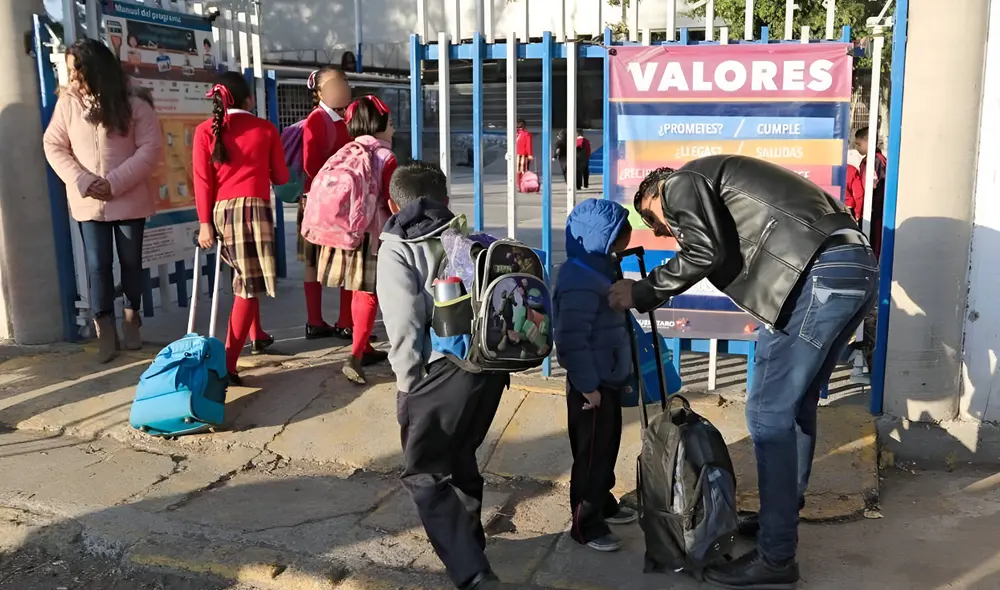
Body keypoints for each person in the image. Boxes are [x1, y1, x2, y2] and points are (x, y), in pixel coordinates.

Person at [611, 155, 878, 589]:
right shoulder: (715, 180)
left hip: (817, 274)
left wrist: (642, 289)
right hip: (851, 268)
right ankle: (780, 519)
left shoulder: (681, 183)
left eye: (657, 223)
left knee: (767, 415)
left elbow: (704, 249)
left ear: (654, 196)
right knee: (794, 408)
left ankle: (776, 556)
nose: (665, 232)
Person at [377, 161, 509, 590]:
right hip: (487, 370)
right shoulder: (467, 237)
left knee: (425, 474)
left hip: (438, 375)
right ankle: (470, 544)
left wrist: (407, 383)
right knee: (462, 456)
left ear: (393, 203)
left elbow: (404, 324)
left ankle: (472, 574)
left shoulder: (397, 246)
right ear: (446, 200)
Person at [43, 39, 162, 363]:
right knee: (97, 265)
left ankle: (131, 316)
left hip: (129, 199)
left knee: (130, 262)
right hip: (88, 201)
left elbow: (150, 149)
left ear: (96, 69)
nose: (73, 78)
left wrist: (114, 183)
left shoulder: (134, 100)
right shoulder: (68, 103)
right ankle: (104, 325)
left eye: (77, 70)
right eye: (69, 71)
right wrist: (84, 180)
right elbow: (54, 144)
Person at [192, 72, 289, 385]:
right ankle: (228, 364)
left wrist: (205, 223)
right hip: (253, 211)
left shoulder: (204, 130)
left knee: (244, 277)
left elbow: (202, 180)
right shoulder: (265, 129)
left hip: (220, 213)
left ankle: (256, 334)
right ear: (249, 99)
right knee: (249, 285)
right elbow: (283, 177)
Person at [554, 198, 638, 553]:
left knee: (606, 447)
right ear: (598, 238)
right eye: (620, 234)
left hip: (609, 377)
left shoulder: (601, 267)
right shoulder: (578, 278)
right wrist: (587, 386)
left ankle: (602, 501)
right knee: (590, 455)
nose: (626, 239)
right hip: (592, 385)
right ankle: (585, 524)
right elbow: (572, 339)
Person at [315, 95, 394, 384]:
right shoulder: (386, 156)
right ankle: (356, 355)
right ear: (379, 124)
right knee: (369, 293)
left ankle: (365, 346)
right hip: (375, 235)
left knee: (357, 290)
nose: (394, 130)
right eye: (391, 123)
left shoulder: (347, 151)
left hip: (348, 231)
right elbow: (391, 200)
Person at [299, 66, 354, 341]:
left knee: (345, 260)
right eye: (334, 84)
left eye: (343, 82)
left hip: (339, 200)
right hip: (322, 202)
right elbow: (310, 165)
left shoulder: (348, 118)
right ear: (319, 91)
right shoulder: (316, 120)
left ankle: (345, 320)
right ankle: (315, 321)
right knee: (316, 261)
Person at [845, 126, 887, 257]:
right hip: (866, 209)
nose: (857, 147)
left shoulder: (877, 161)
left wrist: (872, 207)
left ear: (868, 141)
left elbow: (879, 186)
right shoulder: (866, 161)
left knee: (873, 244)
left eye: (858, 144)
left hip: (874, 211)